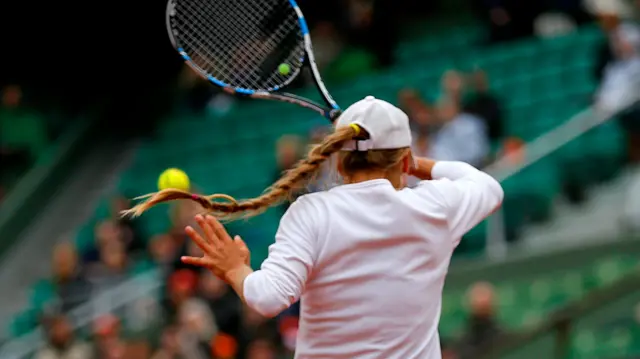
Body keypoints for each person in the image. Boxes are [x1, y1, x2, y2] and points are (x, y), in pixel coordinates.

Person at [124, 96, 504, 359]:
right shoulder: (436, 205)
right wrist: (417, 163)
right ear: (403, 161)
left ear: (338, 163)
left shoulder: (311, 212)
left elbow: (267, 298)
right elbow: (487, 186)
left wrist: (236, 270)